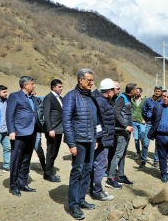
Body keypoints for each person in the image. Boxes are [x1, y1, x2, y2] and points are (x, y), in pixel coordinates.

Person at [62, 68, 105, 220]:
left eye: (92, 80)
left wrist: (97, 138)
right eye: (89, 80)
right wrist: (71, 144)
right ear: (81, 80)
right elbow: (66, 122)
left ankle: (81, 200)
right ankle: (73, 206)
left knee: (87, 170)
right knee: (77, 171)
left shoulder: (91, 97)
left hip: (91, 140)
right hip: (78, 141)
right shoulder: (71, 96)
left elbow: (97, 119)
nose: (92, 83)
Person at [6, 76, 42, 197]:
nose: (34, 85)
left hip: (31, 132)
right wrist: (11, 131)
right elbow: (9, 115)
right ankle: (14, 185)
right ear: (25, 85)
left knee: (26, 159)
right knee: (16, 160)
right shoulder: (14, 96)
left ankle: (23, 183)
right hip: (19, 133)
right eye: (32, 84)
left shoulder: (33, 98)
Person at [105, 83, 136, 189]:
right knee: (118, 154)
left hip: (126, 131)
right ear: (131, 91)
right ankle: (110, 178)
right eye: (135, 90)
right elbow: (116, 113)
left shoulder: (127, 98)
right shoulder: (121, 98)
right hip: (121, 131)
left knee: (122, 154)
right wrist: (126, 126)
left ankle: (121, 176)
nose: (136, 92)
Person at [91, 78, 116, 201]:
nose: (115, 93)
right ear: (109, 91)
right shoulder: (101, 102)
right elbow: (98, 122)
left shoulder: (100, 99)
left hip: (102, 139)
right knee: (100, 165)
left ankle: (95, 188)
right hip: (102, 139)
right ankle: (97, 192)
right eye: (114, 91)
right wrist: (99, 138)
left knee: (96, 164)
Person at [147, 92, 168, 184]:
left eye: (167, 97)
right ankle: (164, 175)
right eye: (164, 96)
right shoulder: (157, 107)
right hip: (160, 136)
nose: (165, 98)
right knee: (162, 156)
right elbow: (153, 120)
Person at [43, 79, 64, 182]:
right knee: (51, 152)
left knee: (55, 152)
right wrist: (50, 129)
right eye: (59, 87)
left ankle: (48, 171)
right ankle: (48, 173)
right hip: (52, 130)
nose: (61, 89)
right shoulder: (48, 98)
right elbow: (46, 115)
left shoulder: (60, 98)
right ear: (53, 87)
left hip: (59, 130)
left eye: (61, 87)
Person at [140, 85, 163, 168]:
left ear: (161, 92)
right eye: (156, 91)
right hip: (149, 124)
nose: (157, 92)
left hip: (158, 125)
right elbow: (143, 111)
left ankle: (156, 161)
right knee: (145, 143)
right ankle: (143, 159)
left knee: (158, 144)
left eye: (158, 91)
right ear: (154, 91)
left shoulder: (163, 101)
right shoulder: (148, 100)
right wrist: (146, 118)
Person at [32, 90, 46, 172]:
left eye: (34, 94)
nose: (32, 95)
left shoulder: (40, 102)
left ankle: (43, 164)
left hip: (37, 129)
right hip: (27, 129)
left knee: (38, 147)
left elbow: (43, 115)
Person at [132, 87, 146, 160]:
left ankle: (144, 154)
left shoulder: (144, 101)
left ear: (140, 93)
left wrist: (146, 119)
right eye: (135, 92)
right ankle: (138, 153)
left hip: (141, 123)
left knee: (142, 139)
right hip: (134, 122)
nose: (136, 93)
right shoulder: (132, 100)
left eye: (137, 92)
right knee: (136, 139)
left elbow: (148, 110)